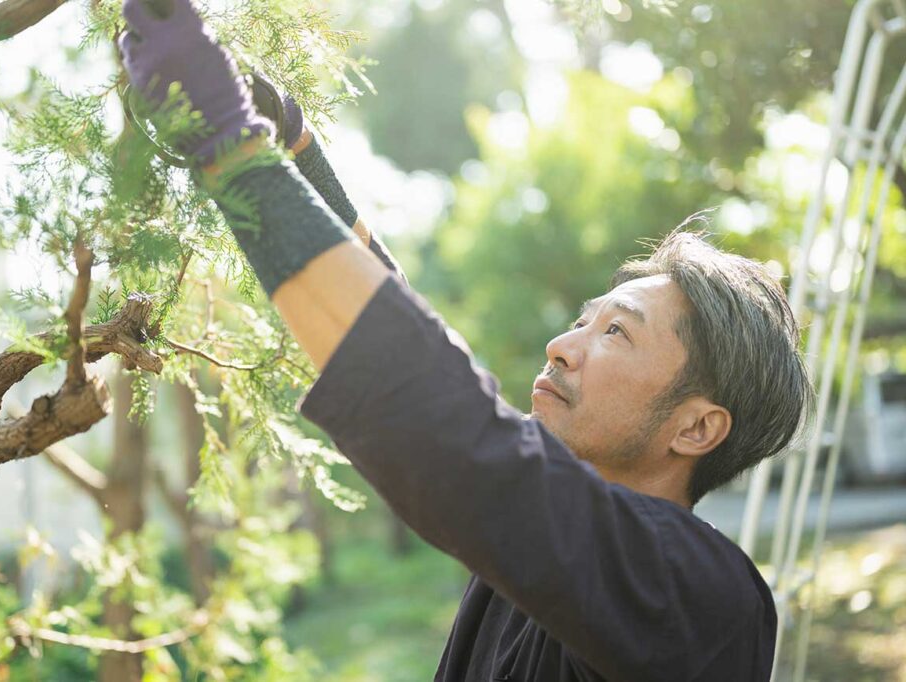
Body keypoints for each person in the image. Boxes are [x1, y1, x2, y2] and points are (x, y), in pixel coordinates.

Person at [118, 1, 813, 679]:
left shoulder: (702, 598)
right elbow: (442, 386)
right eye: (581, 320)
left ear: (695, 427)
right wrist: (297, 153)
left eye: (615, 333)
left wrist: (231, 148)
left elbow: (460, 440)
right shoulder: (538, 562)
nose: (561, 347)